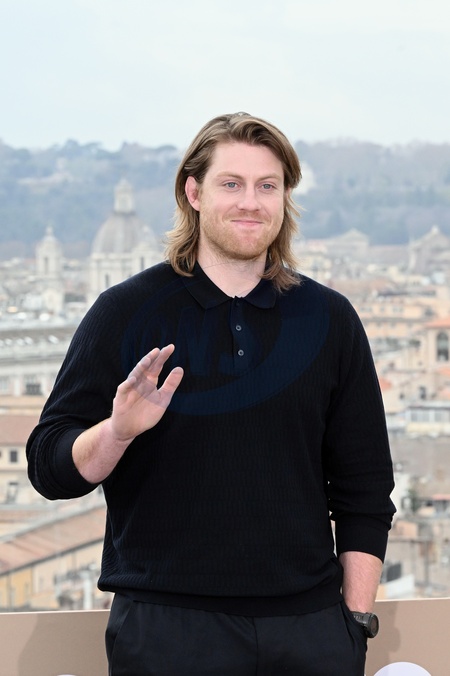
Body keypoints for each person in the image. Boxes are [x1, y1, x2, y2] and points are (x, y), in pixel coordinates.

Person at [27, 112, 396, 675]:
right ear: (194, 193)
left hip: (310, 633)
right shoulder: (125, 312)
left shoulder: (330, 319)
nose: (251, 202)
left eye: (267, 186)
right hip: (166, 634)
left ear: (284, 198)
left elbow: (365, 488)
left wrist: (354, 623)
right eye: (232, 184)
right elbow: (48, 468)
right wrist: (116, 433)